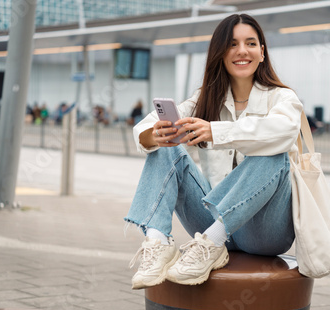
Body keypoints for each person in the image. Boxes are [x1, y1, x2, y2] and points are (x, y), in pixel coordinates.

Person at [124, 14, 303, 290]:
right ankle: (158, 241)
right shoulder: (205, 99)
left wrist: (215, 132)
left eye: (251, 43)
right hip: (209, 225)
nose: (242, 51)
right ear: (219, 53)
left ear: (262, 53)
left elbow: (284, 132)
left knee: (274, 153)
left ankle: (213, 241)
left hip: (264, 233)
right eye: (232, 44)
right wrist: (156, 134)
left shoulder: (281, 97)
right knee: (165, 147)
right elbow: (145, 128)